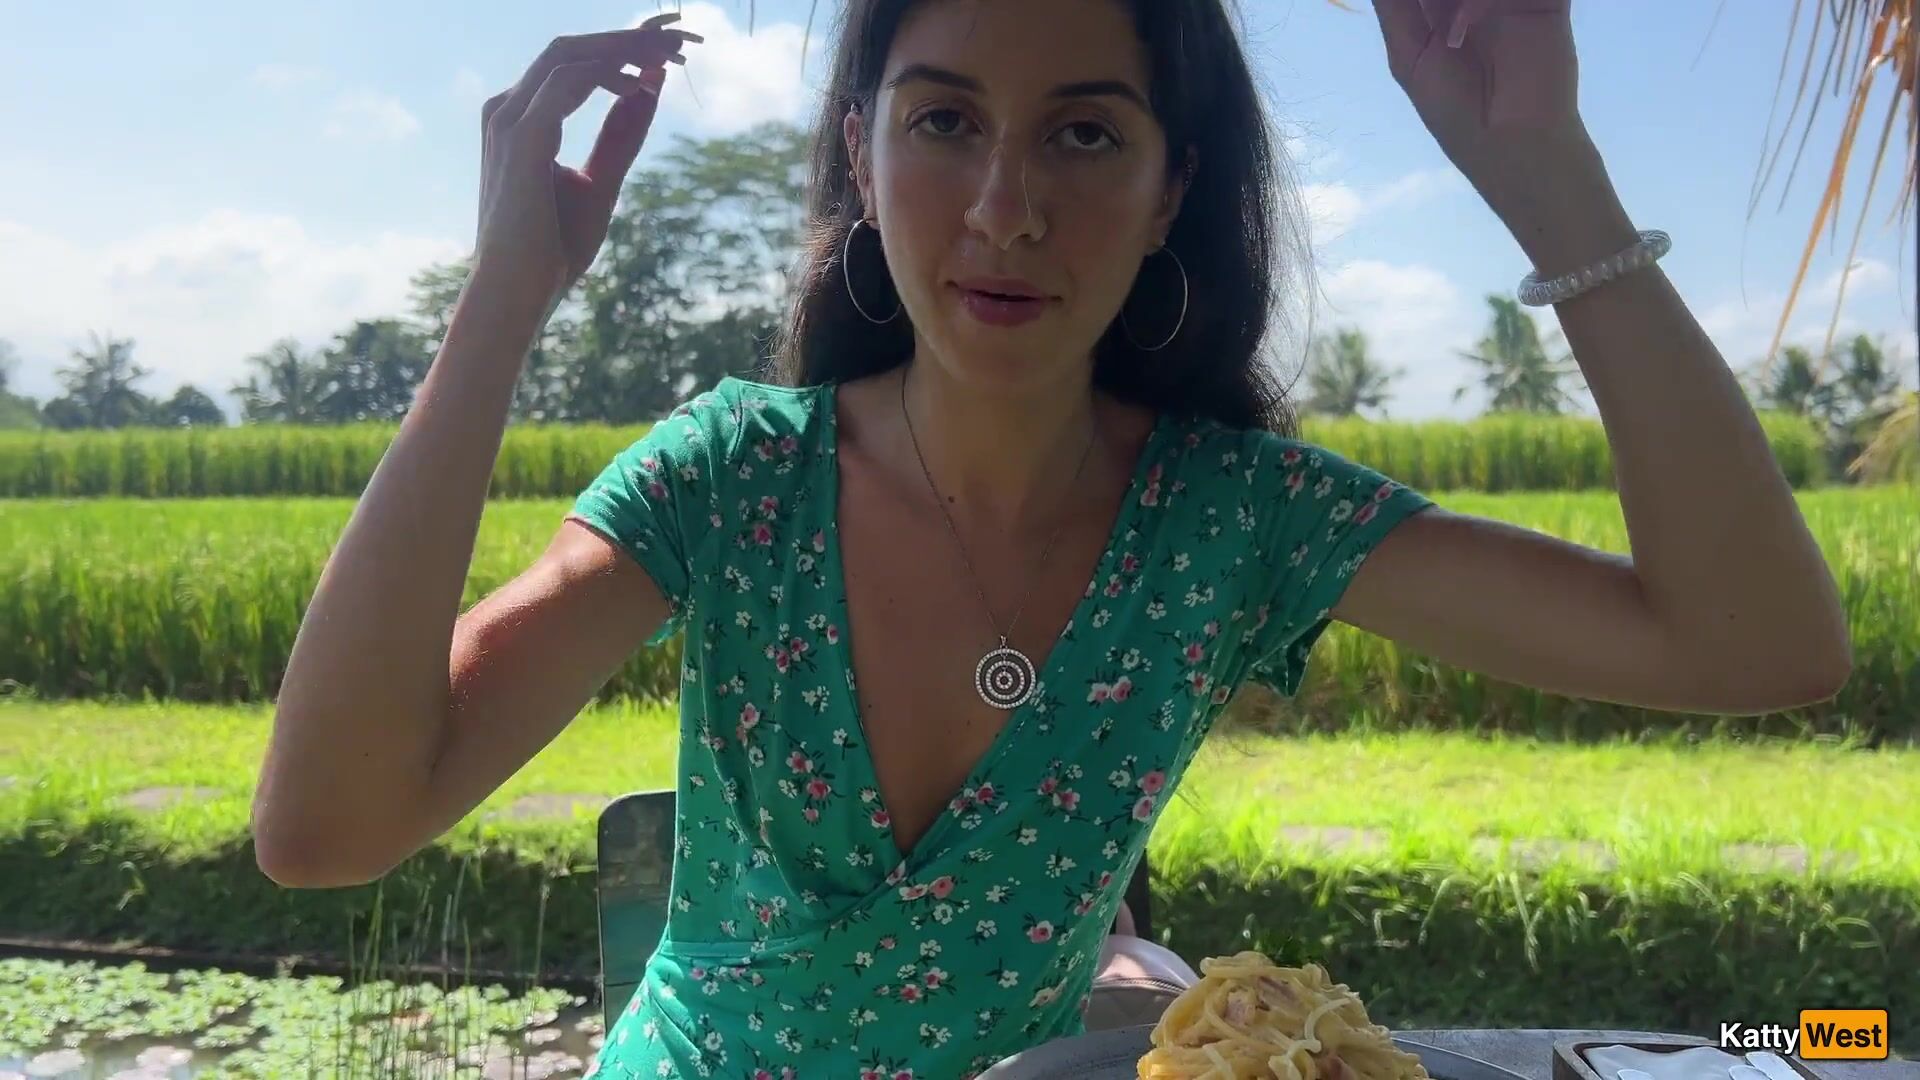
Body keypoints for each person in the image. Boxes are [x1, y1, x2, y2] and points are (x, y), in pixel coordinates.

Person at [251, 0, 1853, 1076]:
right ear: (863, 154)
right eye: (947, 121)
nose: (1006, 208)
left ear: (1169, 191)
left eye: (1084, 135)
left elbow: (1759, 645)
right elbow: (326, 826)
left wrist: (1544, 169)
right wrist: (506, 298)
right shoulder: (731, 484)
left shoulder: (1235, 523)